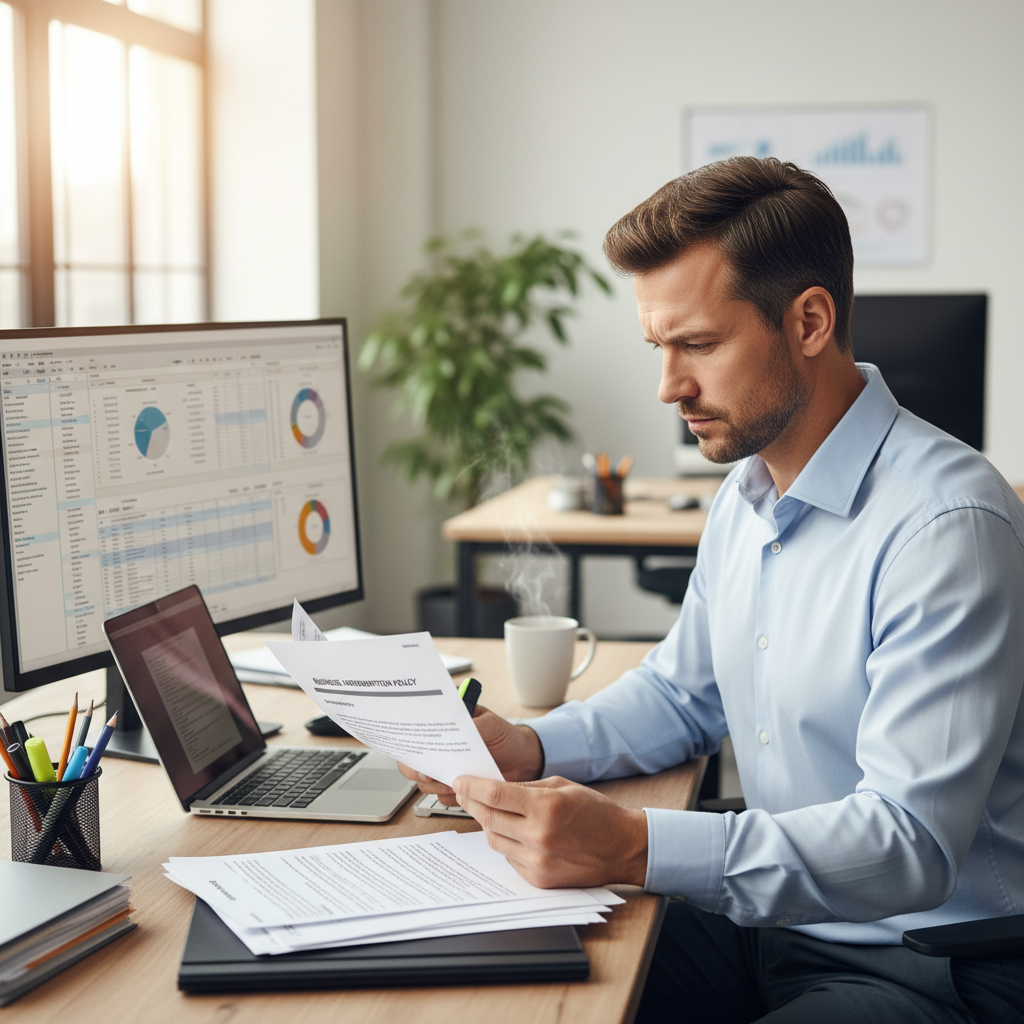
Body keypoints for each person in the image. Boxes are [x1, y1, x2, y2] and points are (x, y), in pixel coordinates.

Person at [400, 157, 1024, 1022]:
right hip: (777, 927)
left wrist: (634, 842)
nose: (670, 388)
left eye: (698, 344)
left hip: (931, 964)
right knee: (494, 979)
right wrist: (531, 750)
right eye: (660, 347)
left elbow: (906, 845)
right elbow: (682, 695)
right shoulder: (749, 492)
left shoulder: (946, 524)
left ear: (809, 320)